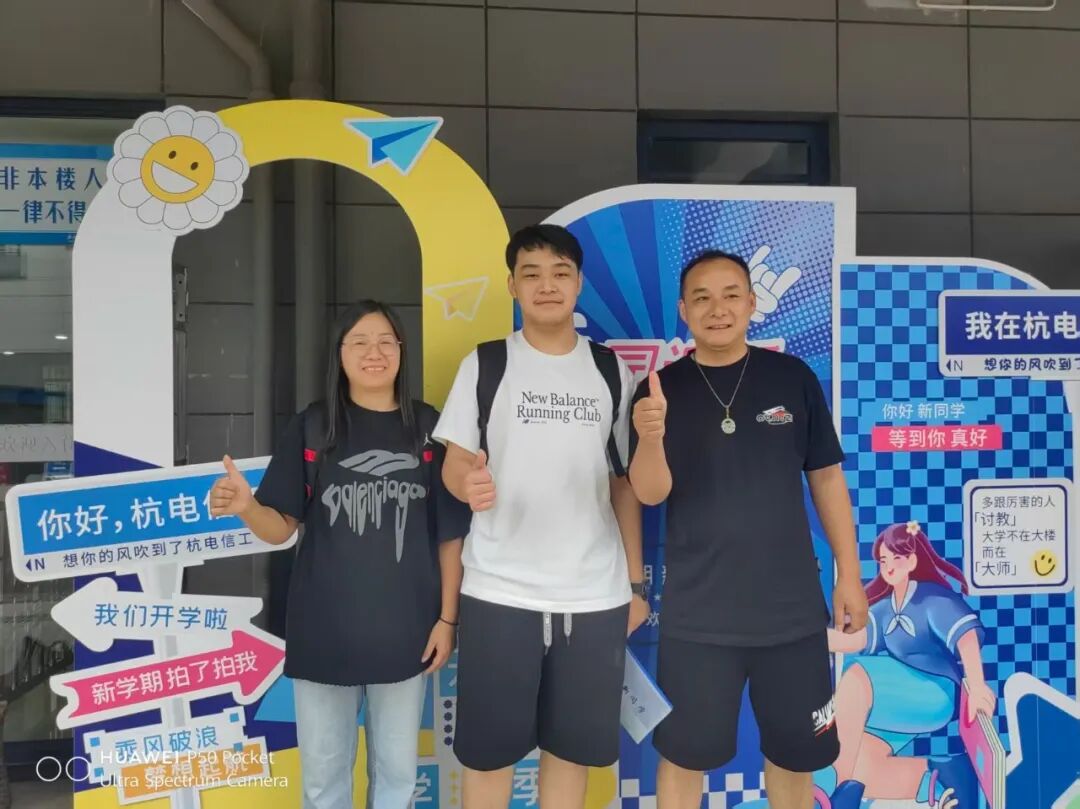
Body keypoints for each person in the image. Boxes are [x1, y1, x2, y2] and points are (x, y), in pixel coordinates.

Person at [628, 249, 868, 809]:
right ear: (684, 310)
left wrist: (850, 576)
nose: (718, 309)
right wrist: (651, 437)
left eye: (731, 295)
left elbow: (826, 478)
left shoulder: (792, 378)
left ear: (752, 303)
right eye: (702, 298)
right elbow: (648, 493)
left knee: (795, 757)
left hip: (791, 614)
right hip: (698, 617)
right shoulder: (658, 390)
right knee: (683, 757)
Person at [208, 300, 469, 809]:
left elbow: (449, 537)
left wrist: (447, 620)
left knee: (397, 776)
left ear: (401, 351)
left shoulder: (429, 429)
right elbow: (280, 527)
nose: (375, 353)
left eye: (386, 342)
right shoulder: (313, 427)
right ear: (340, 354)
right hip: (323, 629)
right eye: (360, 342)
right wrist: (247, 507)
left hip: (407, 631)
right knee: (324, 781)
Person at [435, 224, 650, 809]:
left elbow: (623, 484)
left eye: (560, 273)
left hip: (594, 593)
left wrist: (634, 585)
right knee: (489, 755)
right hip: (498, 589)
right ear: (513, 286)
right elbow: (455, 463)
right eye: (531, 274)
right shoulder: (486, 363)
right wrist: (467, 482)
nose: (546, 285)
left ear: (578, 283)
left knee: (571, 752)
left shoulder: (611, 371)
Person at [824, 520, 991, 809]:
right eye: (883, 560)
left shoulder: (932, 599)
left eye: (896, 558)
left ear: (912, 560)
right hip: (899, 697)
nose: (888, 567)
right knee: (863, 768)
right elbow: (855, 640)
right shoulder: (885, 608)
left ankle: (838, 791)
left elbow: (965, 637)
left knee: (857, 677)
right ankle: (942, 777)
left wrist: (977, 687)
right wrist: (806, 637)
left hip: (935, 692)